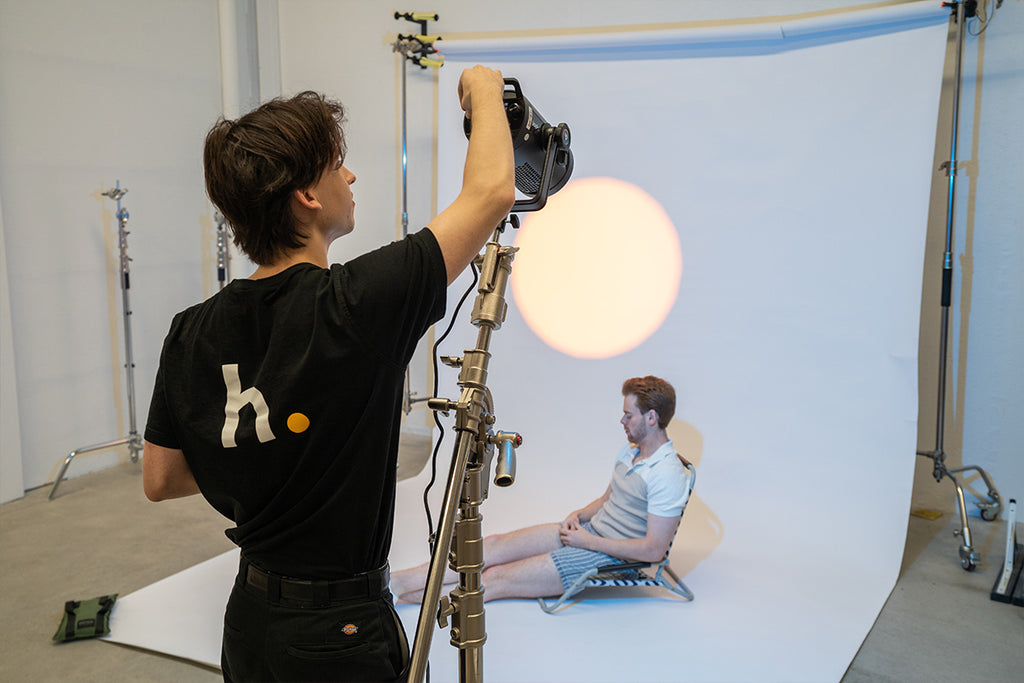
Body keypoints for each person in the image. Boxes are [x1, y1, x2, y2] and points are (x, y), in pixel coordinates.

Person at [141, 65, 514, 683]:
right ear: (307, 197)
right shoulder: (357, 303)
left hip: (250, 622)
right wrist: (483, 87)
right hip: (339, 635)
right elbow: (492, 192)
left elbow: (162, 477)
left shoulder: (190, 329)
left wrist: (270, 461)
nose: (351, 175)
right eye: (338, 164)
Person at [390, 375, 692, 604]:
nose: (622, 420)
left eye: (629, 415)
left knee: (493, 578)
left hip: (610, 556)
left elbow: (653, 550)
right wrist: (580, 514)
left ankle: (402, 599)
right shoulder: (632, 452)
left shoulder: (668, 473)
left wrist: (588, 542)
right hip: (588, 533)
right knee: (492, 545)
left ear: (651, 418)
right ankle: (396, 584)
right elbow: (608, 498)